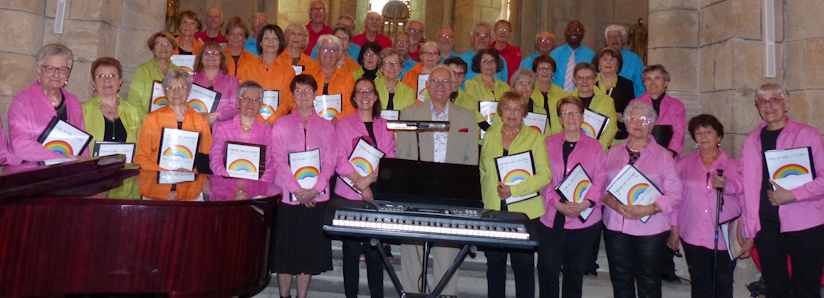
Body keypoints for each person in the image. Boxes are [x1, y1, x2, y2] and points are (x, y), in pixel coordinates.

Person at [397, 66, 479, 296]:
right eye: (435, 80)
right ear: (426, 84)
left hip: (451, 194)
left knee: (447, 251)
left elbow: (471, 160)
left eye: (445, 81)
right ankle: (412, 294)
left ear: (454, 86)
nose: (440, 85)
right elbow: (402, 155)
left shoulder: (467, 116)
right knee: (412, 251)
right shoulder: (410, 113)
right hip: (416, 192)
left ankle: (445, 295)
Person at [738, 83, 824, 298]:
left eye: (774, 99)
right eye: (762, 101)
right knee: (776, 289)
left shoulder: (808, 135)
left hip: (806, 225)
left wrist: (793, 194)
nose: (768, 105)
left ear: (786, 104)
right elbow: (743, 180)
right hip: (767, 227)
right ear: (757, 106)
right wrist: (724, 184)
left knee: (806, 289)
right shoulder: (751, 140)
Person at [602, 102, 682, 298]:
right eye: (633, 119)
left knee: (649, 282)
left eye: (644, 120)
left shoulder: (664, 156)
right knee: (620, 279)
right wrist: (612, 203)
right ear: (626, 123)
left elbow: (675, 194)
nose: (638, 124)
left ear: (652, 125)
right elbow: (600, 188)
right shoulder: (612, 151)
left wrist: (649, 209)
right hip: (616, 227)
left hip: (651, 230)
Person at [271, 74, 337, 298]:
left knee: (307, 252)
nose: (303, 95)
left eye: (308, 90)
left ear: (315, 95)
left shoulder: (327, 127)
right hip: (288, 198)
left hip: (316, 198)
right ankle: (284, 296)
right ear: (292, 95)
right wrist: (297, 190)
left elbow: (330, 160)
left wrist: (315, 190)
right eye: (298, 91)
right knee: (285, 252)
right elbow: (278, 158)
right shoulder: (281, 123)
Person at [479, 91, 549, 298]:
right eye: (507, 108)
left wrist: (514, 191)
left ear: (524, 113)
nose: (512, 113)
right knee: (494, 267)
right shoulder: (490, 135)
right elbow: (483, 171)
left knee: (524, 268)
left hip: (523, 212)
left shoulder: (535, 136)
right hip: (493, 211)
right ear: (500, 112)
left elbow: (545, 175)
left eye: (517, 108)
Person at [539, 96, 607, 298]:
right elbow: (543, 178)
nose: (571, 117)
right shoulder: (547, 143)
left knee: (574, 273)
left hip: (583, 221)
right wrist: (556, 203)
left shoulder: (595, 147)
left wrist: (586, 203)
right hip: (551, 217)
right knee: (547, 271)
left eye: (575, 112)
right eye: (566, 113)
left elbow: (600, 178)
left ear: (582, 116)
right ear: (559, 118)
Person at [333, 78, 395, 298]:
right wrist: (361, 187)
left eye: (369, 91)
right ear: (354, 97)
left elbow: (389, 158)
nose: (365, 95)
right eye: (360, 92)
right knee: (350, 251)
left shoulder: (384, 125)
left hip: (377, 192)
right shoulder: (343, 123)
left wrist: (369, 180)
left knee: (374, 251)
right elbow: (339, 158)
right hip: (348, 193)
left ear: (376, 96)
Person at [671, 114, 742, 298]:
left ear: (719, 137)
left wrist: (748, 238)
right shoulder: (684, 164)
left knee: (723, 285)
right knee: (699, 284)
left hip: (725, 237)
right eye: (698, 132)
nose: (703, 136)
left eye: (708, 132)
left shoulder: (734, 166)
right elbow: (675, 199)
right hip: (693, 234)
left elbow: (746, 202)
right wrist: (674, 229)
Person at [9, 43, 90, 162]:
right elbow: (20, 146)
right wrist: (62, 158)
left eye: (62, 69)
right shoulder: (22, 101)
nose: (56, 74)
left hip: (68, 175)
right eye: (50, 68)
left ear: (68, 73)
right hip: (32, 174)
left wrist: (83, 161)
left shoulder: (74, 102)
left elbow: (82, 144)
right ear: (38, 69)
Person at [134, 69, 212, 172]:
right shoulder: (152, 119)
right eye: (171, 88)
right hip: (157, 181)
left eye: (181, 87)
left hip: (190, 182)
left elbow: (208, 157)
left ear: (188, 91)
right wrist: (165, 172)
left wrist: (191, 173)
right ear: (165, 92)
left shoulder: (200, 121)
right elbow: (140, 158)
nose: (176, 92)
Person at [209, 81, 275, 182]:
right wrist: (229, 182)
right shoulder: (222, 128)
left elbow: (271, 165)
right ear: (237, 102)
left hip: (257, 190)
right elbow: (215, 160)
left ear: (261, 104)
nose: (250, 103)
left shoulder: (268, 132)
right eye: (246, 99)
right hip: (226, 188)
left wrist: (259, 185)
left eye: (255, 100)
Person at [236, 24, 296, 124]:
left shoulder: (288, 70)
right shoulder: (247, 67)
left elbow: (287, 100)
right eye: (266, 38)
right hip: (251, 122)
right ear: (260, 42)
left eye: (275, 38)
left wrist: (271, 121)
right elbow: (243, 96)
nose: (270, 42)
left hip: (279, 123)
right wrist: (259, 121)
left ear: (280, 42)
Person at [82, 57, 143, 147]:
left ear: (120, 82)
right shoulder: (83, 111)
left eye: (112, 76)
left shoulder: (132, 112)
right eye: (101, 76)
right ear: (93, 83)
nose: (107, 80)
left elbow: (139, 147)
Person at [629, 65, 686, 156]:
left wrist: (670, 152)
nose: (652, 82)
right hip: (641, 155)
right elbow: (631, 130)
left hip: (668, 155)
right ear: (644, 83)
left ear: (666, 83)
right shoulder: (634, 104)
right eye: (648, 79)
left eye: (657, 78)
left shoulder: (677, 105)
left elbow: (679, 132)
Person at [127, 31, 179, 116]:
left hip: (173, 124)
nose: (163, 48)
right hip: (147, 123)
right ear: (153, 49)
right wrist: (150, 121)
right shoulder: (142, 71)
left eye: (167, 44)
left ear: (173, 49)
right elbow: (134, 102)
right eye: (158, 44)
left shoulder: (180, 72)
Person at [307, 34, 356, 120]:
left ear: (339, 56)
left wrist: (336, 120)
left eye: (333, 50)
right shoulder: (306, 76)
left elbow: (351, 107)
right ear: (318, 52)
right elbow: (298, 103)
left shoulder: (348, 78)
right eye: (325, 49)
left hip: (339, 125)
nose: (329, 53)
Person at [570, 62, 618, 149]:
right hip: (571, 149)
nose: (584, 81)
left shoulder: (607, 101)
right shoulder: (566, 101)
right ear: (574, 80)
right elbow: (560, 128)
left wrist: (596, 149)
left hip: (598, 151)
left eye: (589, 77)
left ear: (595, 79)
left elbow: (611, 130)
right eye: (580, 78)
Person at [593, 47, 635, 143]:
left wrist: (621, 116)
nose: (608, 62)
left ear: (617, 65)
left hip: (618, 136)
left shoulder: (626, 84)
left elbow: (631, 111)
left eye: (612, 59)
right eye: (604, 59)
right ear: (599, 64)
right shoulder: (590, 83)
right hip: (593, 134)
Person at [464, 48, 511, 131]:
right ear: (479, 64)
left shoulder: (505, 87)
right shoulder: (471, 84)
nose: (489, 64)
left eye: (492, 61)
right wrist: (487, 128)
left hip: (502, 132)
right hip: (479, 133)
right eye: (485, 61)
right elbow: (471, 109)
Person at [193, 42, 239, 125]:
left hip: (222, 130)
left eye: (215, 53)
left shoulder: (232, 81)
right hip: (195, 127)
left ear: (221, 59)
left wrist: (215, 116)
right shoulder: (190, 80)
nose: (211, 56)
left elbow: (234, 106)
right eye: (207, 53)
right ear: (201, 59)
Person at [550, 20, 595, 92]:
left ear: (583, 33)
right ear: (565, 32)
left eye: (578, 30)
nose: (574, 33)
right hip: (556, 97)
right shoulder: (554, 54)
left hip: (582, 97)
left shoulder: (591, 55)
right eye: (571, 30)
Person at [605, 24, 645, 97]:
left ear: (624, 40)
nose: (614, 39)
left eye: (618, 36)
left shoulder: (634, 59)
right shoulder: (600, 58)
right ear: (606, 41)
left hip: (628, 102)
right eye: (610, 37)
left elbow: (640, 87)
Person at [531, 55, 567, 134]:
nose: (544, 71)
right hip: (534, 136)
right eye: (540, 68)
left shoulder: (562, 94)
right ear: (535, 72)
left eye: (548, 68)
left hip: (557, 136)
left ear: (552, 72)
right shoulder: (529, 92)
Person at [509, 69, 549, 135]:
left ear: (532, 89)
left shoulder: (540, 111)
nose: (524, 87)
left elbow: (547, 136)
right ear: (512, 88)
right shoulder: (505, 109)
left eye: (528, 83)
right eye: (520, 83)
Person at [375, 48, 415, 112]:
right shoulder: (372, 88)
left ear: (401, 68)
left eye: (395, 63)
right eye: (387, 63)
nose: (392, 66)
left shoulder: (409, 92)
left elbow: (409, 117)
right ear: (381, 68)